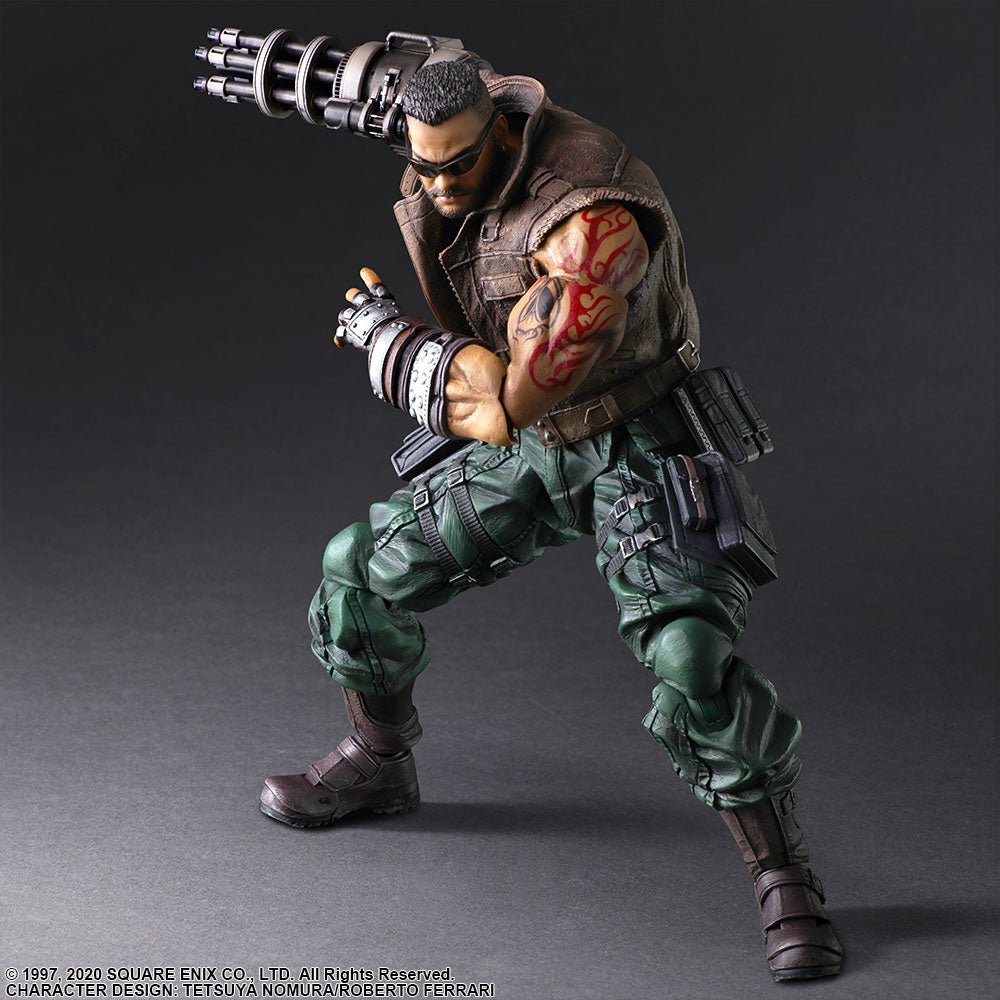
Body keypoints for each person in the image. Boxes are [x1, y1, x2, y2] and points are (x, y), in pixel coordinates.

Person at [259, 61, 843, 982]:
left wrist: (392, 343)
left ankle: (783, 874)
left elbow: (502, 407)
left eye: (456, 167)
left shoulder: (593, 223)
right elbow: (410, 72)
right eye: (422, 167)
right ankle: (379, 759)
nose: (438, 188)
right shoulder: (464, 113)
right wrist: (302, 73)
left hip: (637, 437)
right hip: (539, 449)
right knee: (357, 568)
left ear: (503, 132)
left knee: (690, 656)